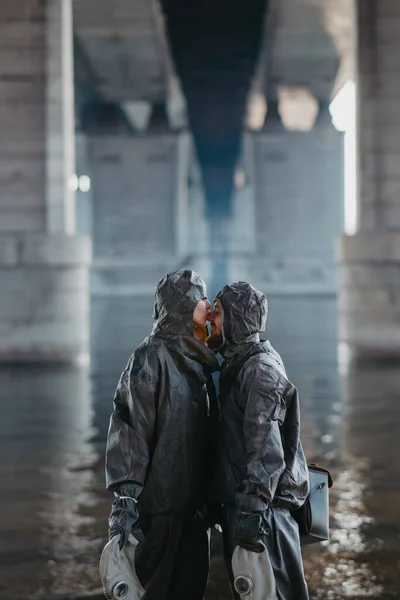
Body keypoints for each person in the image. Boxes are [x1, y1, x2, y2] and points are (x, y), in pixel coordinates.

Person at [105, 269, 220, 600]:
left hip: (193, 511)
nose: (208, 305)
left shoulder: (197, 360)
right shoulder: (150, 357)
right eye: (201, 298)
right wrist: (125, 501)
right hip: (160, 513)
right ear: (182, 307)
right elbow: (130, 431)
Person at [207, 281, 310, 600]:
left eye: (219, 312)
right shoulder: (241, 366)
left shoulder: (259, 371)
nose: (211, 317)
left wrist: (251, 513)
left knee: (274, 593)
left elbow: (266, 451)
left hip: (264, 513)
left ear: (236, 320)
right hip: (251, 508)